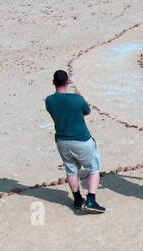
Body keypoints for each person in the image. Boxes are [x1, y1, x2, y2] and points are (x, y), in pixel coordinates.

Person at [45, 69, 104, 213]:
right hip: (81, 139)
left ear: (53, 82)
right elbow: (87, 111)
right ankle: (91, 199)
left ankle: (77, 199)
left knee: (71, 170)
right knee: (93, 168)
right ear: (68, 81)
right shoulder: (76, 98)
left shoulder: (49, 100)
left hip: (62, 141)